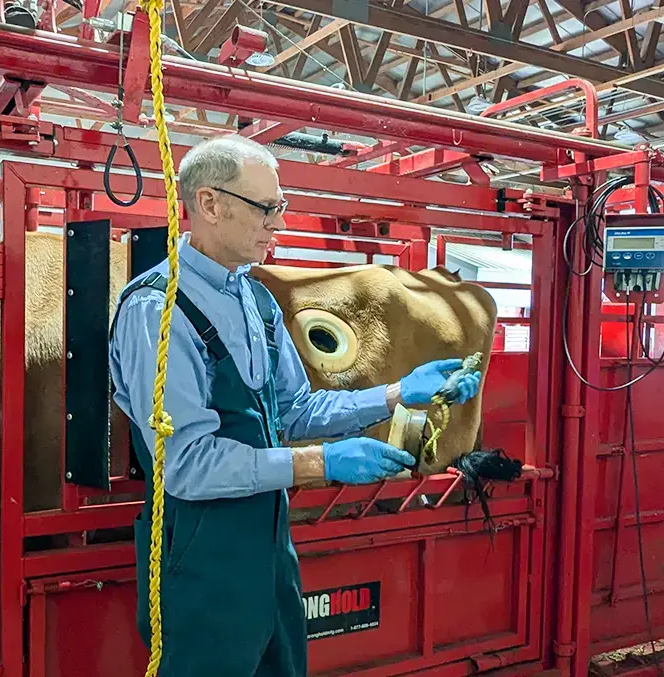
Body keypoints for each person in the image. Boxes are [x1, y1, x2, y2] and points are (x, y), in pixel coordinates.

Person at [107, 134, 482, 677]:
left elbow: (296, 410)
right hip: (197, 563)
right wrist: (321, 462)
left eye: (279, 206)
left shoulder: (255, 299)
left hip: (270, 554)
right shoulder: (157, 311)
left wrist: (397, 394)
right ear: (209, 204)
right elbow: (187, 465)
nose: (278, 223)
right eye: (266, 207)